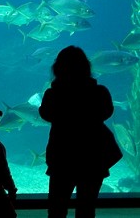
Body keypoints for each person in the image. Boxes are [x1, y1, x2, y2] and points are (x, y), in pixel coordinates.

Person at [39, 45, 122, 218]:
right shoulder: (100, 92)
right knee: (86, 207)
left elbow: (45, 114)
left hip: (62, 156)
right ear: (87, 67)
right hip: (93, 156)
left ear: (58, 68)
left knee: (57, 207)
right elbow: (107, 112)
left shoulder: (52, 94)